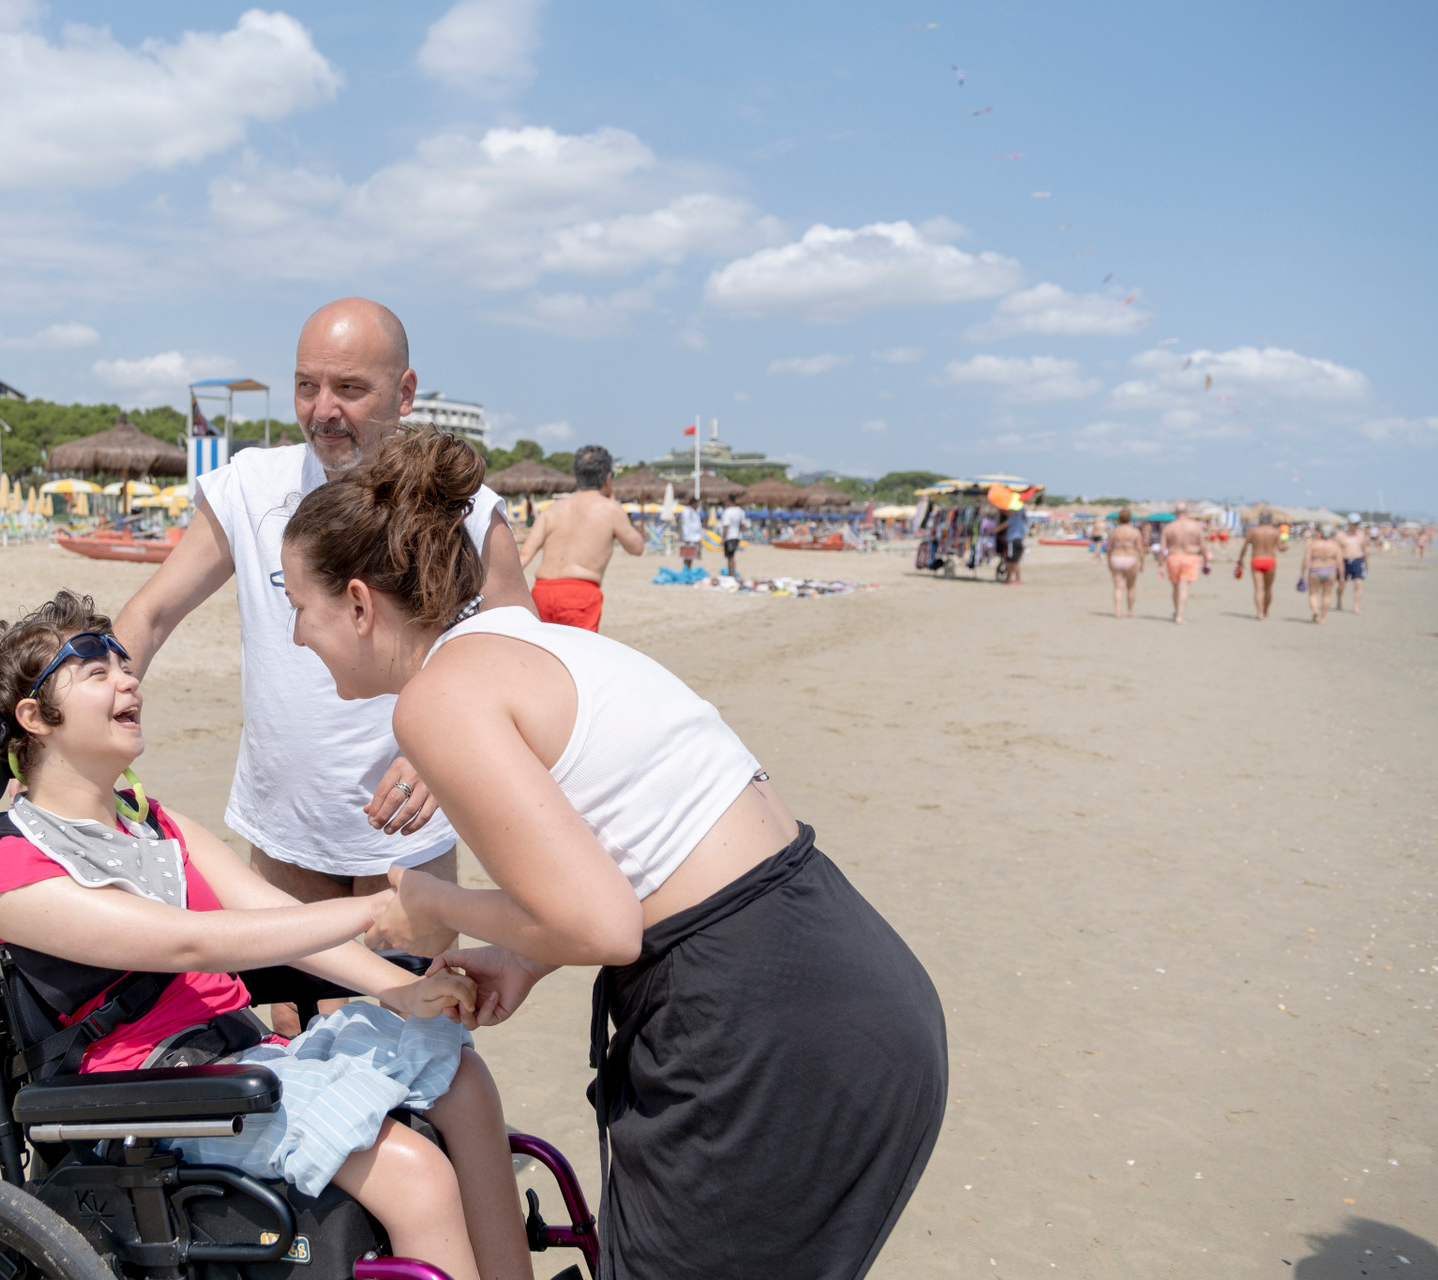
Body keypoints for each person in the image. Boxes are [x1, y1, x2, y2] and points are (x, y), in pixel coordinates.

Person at [277, 431, 947, 1280]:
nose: (297, 634)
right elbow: (646, 852)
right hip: (853, 982)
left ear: (362, 603)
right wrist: (521, 958)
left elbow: (602, 923)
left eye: (300, 603)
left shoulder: (441, 699)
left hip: (755, 1025)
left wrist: (432, 904)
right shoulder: (533, 644)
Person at [0, 592, 532, 1280]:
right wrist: (380, 908)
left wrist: (401, 989)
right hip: (146, 1099)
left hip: (233, 1060)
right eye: (97, 671)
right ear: (32, 718)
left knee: (462, 1079)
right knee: (415, 1175)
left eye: (124, 665)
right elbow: (190, 943)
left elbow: (271, 916)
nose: (128, 678)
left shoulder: (156, 825)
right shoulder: (13, 875)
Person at [113, 299, 534, 1033]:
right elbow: (149, 615)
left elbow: (521, 649)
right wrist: (86, 718)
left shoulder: (465, 511)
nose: (323, 410)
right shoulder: (251, 489)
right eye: (307, 386)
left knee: (422, 1046)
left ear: (405, 393)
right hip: (285, 829)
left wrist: (446, 757)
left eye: (350, 389)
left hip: (408, 837)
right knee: (292, 1051)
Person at [517, 444, 643, 632]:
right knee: (578, 657)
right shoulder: (610, 509)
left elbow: (524, 555)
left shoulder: (552, 509)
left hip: (542, 590)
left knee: (545, 656)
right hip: (579, 593)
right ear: (608, 479)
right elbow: (636, 547)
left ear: (577, 476)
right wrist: (615, 504)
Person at [1159, 500, 1210, 624]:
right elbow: (1202, 546)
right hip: (1190, 557)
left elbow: (1162, 548)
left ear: (1175, 512)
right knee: (1184, 587)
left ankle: (1177, 612)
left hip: (1173, 557)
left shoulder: (1169, 527)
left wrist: (1160, 565)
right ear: (1187, 512)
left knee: (1176, 588)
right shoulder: (1195, 525)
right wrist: (1206, 561)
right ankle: (1179, 616)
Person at [1234, 510, 1284, 620]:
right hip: (1270, 560)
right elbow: (1280, 548)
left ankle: (1260, 613)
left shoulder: (1253, 531)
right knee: (1268, 588)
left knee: (1258, 589)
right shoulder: (1275, 531)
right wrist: (1286, 546)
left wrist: (1240, 559)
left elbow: (1245, 546)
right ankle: (1266, 610)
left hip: (1256, 559)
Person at [1105, 509, 1147, 618]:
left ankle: (1118, 612)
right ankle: (1130, 610)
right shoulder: (1135, 532)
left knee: (1118, 587)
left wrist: (1108, 561)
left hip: (1116, 557)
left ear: (1119, 518)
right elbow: (1140, 549)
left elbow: (1109, 549)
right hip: (1130, 558)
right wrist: (1142, 562)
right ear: (1130, 518)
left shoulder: (1114, 531)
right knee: (1131, 586)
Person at [1300, 524, 1343, 624]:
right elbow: (1340, 562)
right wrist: (1341, 577)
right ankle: (1323, 618)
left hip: (1315, 569)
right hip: (1330, 570)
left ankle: (1315, 609)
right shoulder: (1335, 545)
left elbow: (1306, 560)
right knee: (1327, 594)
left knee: (1313, 593)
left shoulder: (1314, 544)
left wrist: (1302, 574)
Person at [1335, 513, 1369, 614]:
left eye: (1357, 523)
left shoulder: (1361, 535)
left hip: (1358, 560)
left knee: (1358, 584)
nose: (1355, 526)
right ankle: (1339, 600)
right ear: (1348, 523)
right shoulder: (1341, 535)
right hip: (1344, 561)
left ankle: (1356, 606)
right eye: (1353, 523)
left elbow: (1364, 549)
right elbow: (1336, 550)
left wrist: (1366, 564)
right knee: (1342, 585)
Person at [1001, 502, 1028, 586]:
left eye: (1006, 512)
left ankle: (1017, 580)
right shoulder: (1021, 520)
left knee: (1013, 561)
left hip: (1013, 541)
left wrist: (990, 531)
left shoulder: (1012, 519)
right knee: (1012, 561)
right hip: (1019, 541)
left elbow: (1001, 526)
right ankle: (1008, 579)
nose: (1005, 513)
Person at [719, 498, 747, 578]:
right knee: (731, 556)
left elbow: (726, 526)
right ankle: (731, 573)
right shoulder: (741, 511)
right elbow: (742, 525)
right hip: (737, 536)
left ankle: (731, 574)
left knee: (730, 557)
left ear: (729, 501)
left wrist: (723, 538)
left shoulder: (728, 511)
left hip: (729, 537)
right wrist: (740, 534)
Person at [676, 502, 703, 570]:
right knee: (687, 555)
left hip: (695, 537)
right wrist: (687, 538)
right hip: (690, 538)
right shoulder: (687, 512)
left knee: (691, 556)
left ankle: (688, 569)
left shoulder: (694, 512)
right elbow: (686, 525)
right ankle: (686, 569)